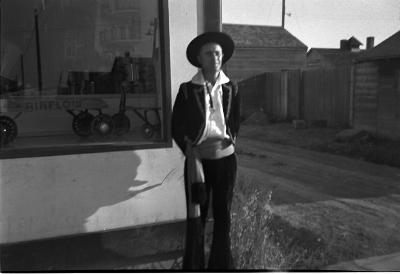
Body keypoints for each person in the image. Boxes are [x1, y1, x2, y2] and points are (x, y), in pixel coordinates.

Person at [171, 31, 240, 270]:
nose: (215, 57)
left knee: (223, 216)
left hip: (225, 162)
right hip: (197, 163)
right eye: (209, 53)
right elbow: (176, 126)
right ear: (200, 59)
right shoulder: (187, 90)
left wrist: (230, 141)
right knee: (197, 217)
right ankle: (194, 267)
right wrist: (190, 149)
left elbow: (235, 121)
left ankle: (222, 266)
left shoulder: (232, 88)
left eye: (218, 53)